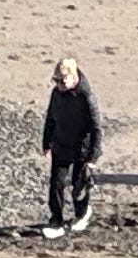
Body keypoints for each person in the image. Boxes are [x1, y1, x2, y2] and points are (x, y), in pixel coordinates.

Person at [40, 58, 102, 236]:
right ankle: (56, 220)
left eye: (62, 81)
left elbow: (97, 127)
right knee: (56, 183)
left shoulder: (86, 96)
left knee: (78, 184)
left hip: (81, 147)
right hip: (61, 144)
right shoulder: (56, 93)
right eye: (55, 80)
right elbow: (51, 118)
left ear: (73, 77)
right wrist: (46, 142)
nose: (58, 84)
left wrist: (93, 157)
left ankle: (82, 214)